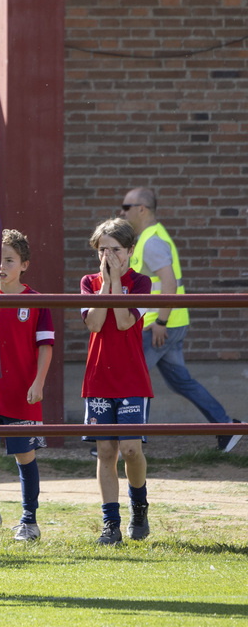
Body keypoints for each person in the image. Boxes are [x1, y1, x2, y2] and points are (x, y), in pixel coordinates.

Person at [121, 188, 241, 452]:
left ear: (142, 208)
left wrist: (161, 323)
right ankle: (227, 426)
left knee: (134, 378)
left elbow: (169, 282)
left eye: (126, 206)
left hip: (160, 324)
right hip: (169, 321)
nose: (122, 211)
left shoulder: (151, 241)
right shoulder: (149, 237)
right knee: (180, 381)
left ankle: (127, 441)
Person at [81, 217, 153, 546]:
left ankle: (139, 508)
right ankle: (110, 523)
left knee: (130, 449)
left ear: (130, 251)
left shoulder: (142, 283)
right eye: (102, 249)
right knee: (106, 451)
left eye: (115, 250)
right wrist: (106, 283)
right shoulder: (87, 282)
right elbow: (95, 323)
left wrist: (117, 283)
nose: (108, 256)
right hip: (98, 377)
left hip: (132, 378)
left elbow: (124, 322)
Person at [0, 229, 53, 542]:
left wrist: (39, 382)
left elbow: (45, 346)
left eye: (9, 259)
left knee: (25, 456)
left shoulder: (37, 301)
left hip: (23, 392)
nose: (2, 265)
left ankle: (29, 520)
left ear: (24, 264)